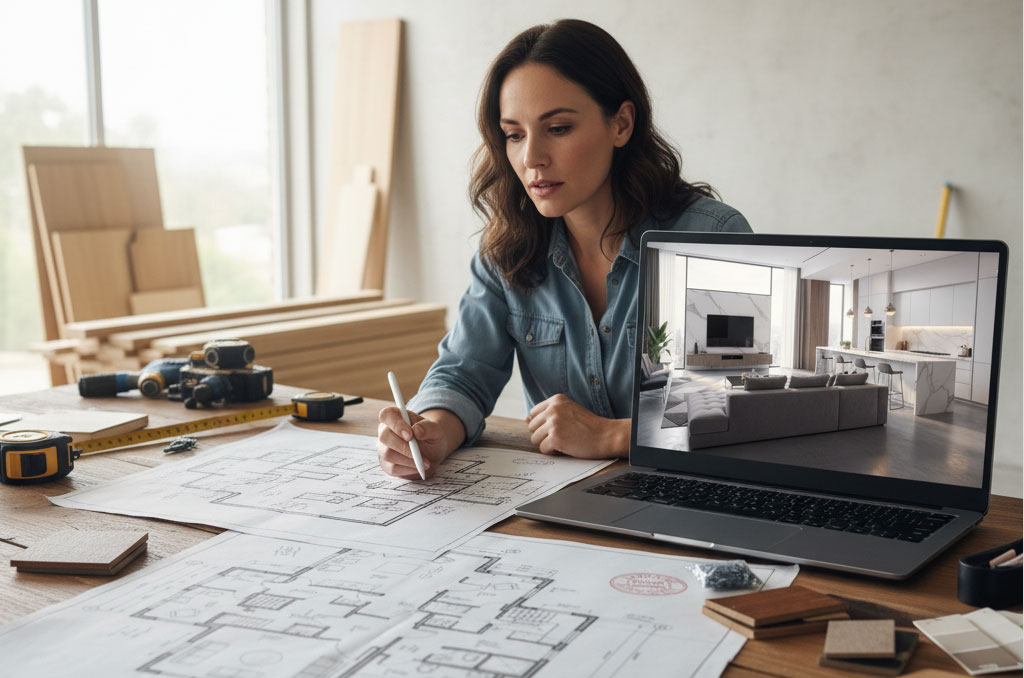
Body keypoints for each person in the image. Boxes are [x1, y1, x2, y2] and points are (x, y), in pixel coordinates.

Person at [377, 19, 751, 479]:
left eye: (556, 128)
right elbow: (464, 375)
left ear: (621, 123)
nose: (531, 157)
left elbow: (738, 407)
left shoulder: (711, 240)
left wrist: (612, 435)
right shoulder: (508, 249)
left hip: (695, 497)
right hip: (568, 505)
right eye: (514, 134)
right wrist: (432, 430)